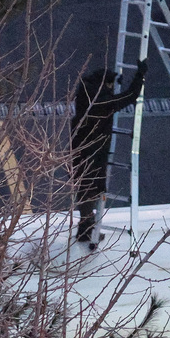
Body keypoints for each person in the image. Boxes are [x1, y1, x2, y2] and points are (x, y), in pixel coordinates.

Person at [70, 60, 148, 246]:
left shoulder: (85, 93)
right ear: (105, 85)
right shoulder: (101, 102)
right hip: (93, 150)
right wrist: (140, 75)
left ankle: (85, 226)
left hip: (80, 147)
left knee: (83, 186)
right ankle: (86, 227)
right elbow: (129, 97)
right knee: (91, 187)